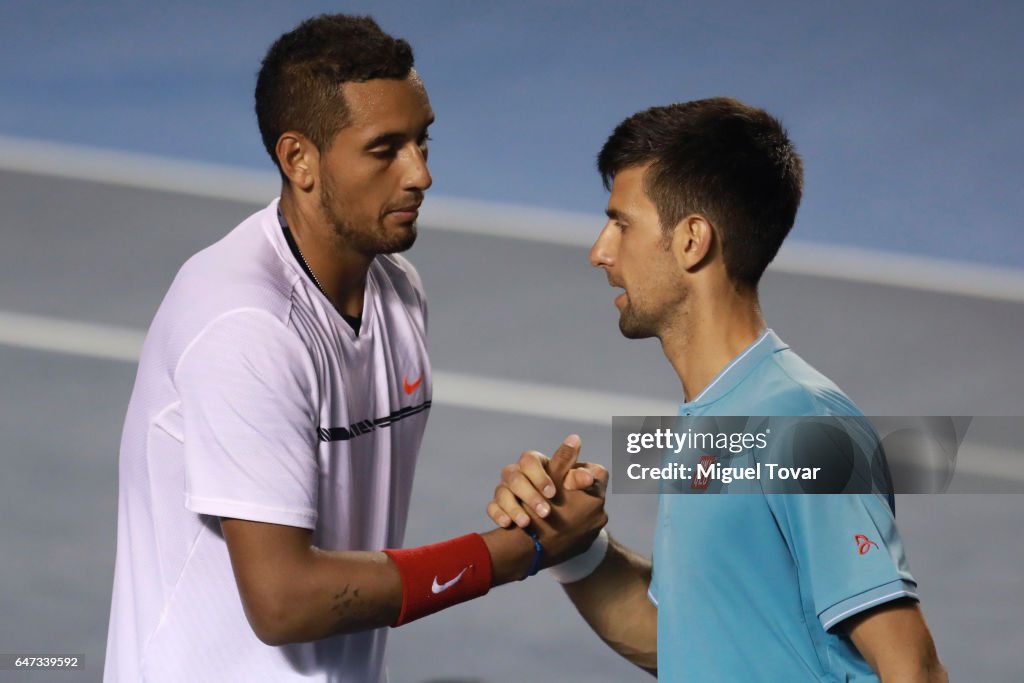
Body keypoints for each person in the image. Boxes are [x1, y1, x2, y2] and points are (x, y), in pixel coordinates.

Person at [103, 14, 605, 683]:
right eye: (385, 149)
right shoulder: (244, 325)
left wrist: (542, 509)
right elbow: (283, 601)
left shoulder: (397, 290)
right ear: (298, 159)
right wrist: (517, 551)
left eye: (423, 142)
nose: (420, 173)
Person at [487, 98, 948, 681]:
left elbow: (915, 668)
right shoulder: (717, 419)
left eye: (622, 223)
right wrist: (568, 543)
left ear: (691, 240)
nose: (600, 252)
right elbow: (687, 647)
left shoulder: (802, 426)